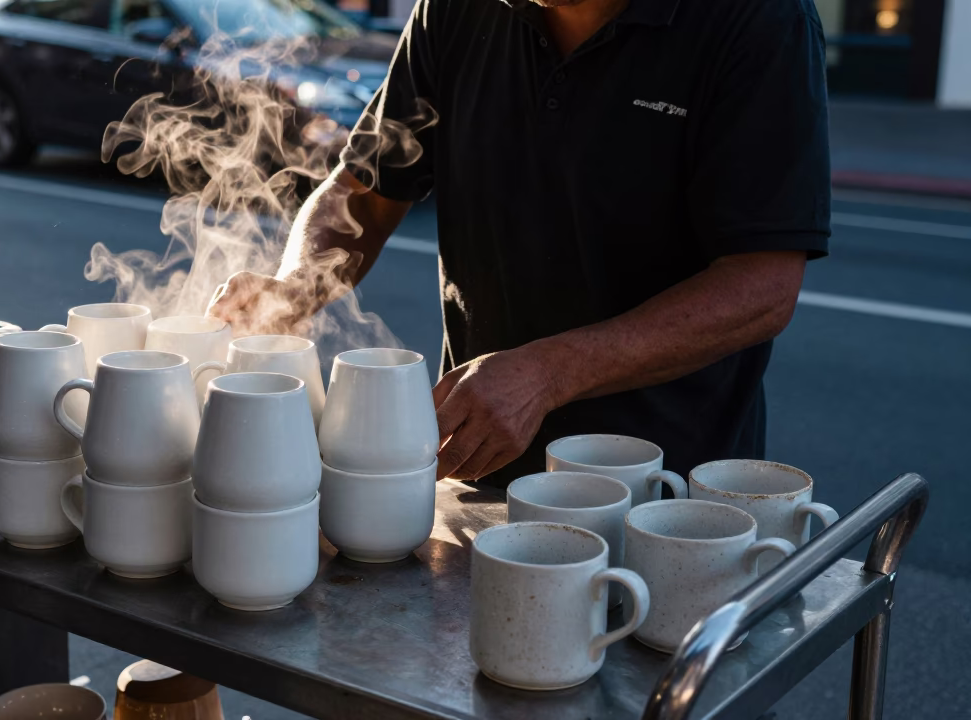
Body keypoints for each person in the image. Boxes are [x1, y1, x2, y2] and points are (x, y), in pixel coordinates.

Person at [208, 0, 830, 487]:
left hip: (667, 493)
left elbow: (763, 284)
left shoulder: (760, 21)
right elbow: (366, 190)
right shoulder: (453, 11)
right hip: (481, 456)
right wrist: (296, 287)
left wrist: (549, 371)